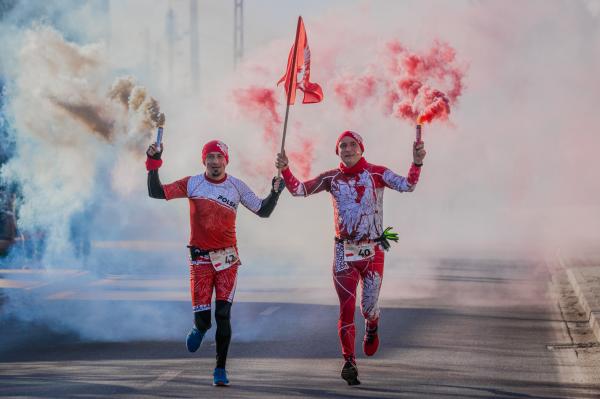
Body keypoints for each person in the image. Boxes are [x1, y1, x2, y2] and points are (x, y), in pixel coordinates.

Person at [275, 130, 426, 385]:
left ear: (361, 149)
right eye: (342, 146)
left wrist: (417, 162)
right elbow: (299, 190)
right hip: (343, 251)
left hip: (374, 250)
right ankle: (349, 362)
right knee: (346, 307)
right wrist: (286, 169)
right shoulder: (330, 178)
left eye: (352, 145)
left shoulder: (377, 173)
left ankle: (373, 323)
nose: (347, 149)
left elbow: (408, 185)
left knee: (367, 307)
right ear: (338, 152)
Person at [147, 139, 284, 386]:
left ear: (226, 161)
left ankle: (220, 369)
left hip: (227, 259)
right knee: (205, 320)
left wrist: (275, 192)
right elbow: (156, 192)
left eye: (219, 157)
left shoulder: (236, 186)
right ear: (204, 161)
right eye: (210, 157)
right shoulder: (193, 183)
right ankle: (199, 328)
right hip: (200, 259)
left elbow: (262, 210)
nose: (214, 162)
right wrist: (153, 162)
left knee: (223, 314)